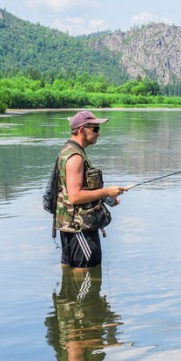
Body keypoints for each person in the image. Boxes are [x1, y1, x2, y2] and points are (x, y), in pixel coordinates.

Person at [55, 110, 129, 268]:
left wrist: (104, 198)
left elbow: (71, 190)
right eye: (95, 129)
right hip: (79, 229)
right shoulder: (75, 158)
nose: (98, 134)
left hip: (72, 228)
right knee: (86, 280)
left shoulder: (68, 151)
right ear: (82, 130)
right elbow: (75, 196)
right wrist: (106, 191)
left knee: (72, 281)